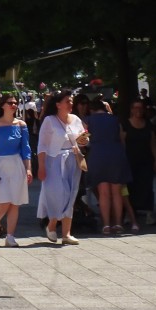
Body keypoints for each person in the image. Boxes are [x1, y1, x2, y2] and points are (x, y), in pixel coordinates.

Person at [37, 91, 89, 246]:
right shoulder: (49, 120)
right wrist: (41, 166)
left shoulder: (76, 120)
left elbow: (81, 139)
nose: (71, 103)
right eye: (67, 101)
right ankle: (52, 224)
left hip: (73, 158)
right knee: (61, 194)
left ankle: (66, 233)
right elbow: (42, 145)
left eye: (71, 101)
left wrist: (84, 141)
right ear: (58, 104)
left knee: (72, 194)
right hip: (54, 160)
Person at [0, 94, 32, 247]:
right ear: (2, 105)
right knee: (4, 199)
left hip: (17, 163)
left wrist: (28, 169)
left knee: (15, 202)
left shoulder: (21, 125)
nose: (13, 105)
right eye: (10, 102)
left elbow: (26, 149)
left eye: (15, 103)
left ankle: (10, 236)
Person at [86, 100, 133, 234]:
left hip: (98, 155)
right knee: (117, 192)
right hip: (116, 155)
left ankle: (106, 224)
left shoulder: (89, 120)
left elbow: (82, 140)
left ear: (92, 109)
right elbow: (121, 138)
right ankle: (118, 223)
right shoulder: (115, 119)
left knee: (104, 192)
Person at [124, 99, 156, 227]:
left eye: (140, 108)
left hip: (146, 160)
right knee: (130, 188)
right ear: (131, 109)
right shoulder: (126, 124)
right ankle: (130, 213)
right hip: (130, 160)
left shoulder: (148, 124)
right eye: (135, 108)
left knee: (148, 186)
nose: (138, 111)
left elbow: (153, 143)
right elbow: (122, 143)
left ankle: (150, 213)